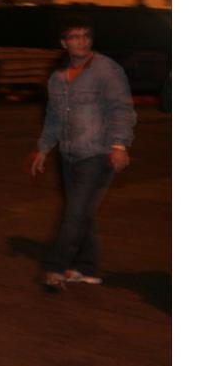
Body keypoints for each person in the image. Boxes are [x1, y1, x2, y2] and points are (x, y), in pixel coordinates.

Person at [30, 16, 137, 289]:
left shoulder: (106, 70)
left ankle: (55, 268)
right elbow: (53, 117)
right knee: (81, 212)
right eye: (75, 36)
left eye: (86, 36)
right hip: (68, 155)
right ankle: (87, 269)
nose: (82, 41)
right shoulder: (57, 77)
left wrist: (119, 145)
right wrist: (44, 147)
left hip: (97, 153)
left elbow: (121, 109)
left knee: (75, 213)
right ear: (64, 42)